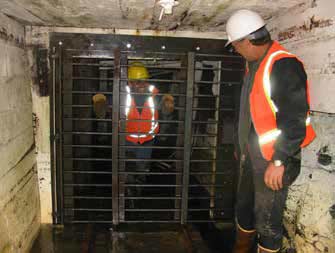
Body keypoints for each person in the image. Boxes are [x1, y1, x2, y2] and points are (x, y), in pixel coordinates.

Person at [225, 9, 316, 253]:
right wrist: (240, 146)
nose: (236, 50)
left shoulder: (283, 64)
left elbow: (295, 119)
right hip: (252, 156)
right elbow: (250, 113)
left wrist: (279, 160)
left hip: (274, 160)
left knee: (267, 224)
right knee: (244, 211)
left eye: (236, 45)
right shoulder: (255, 64)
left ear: (246, 41)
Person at [124, 62, 174, 199]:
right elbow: (108, 106)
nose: (140, 85)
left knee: (142, 170)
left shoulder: (155, 94)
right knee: (128, 171)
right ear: (130, 82)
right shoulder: (122, 94)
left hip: (147, 141)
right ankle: (126, 198)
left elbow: (166, 111)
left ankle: (137, 197)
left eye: (143, 81)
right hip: (127, 141)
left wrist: (167, 104)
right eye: (136, 82)